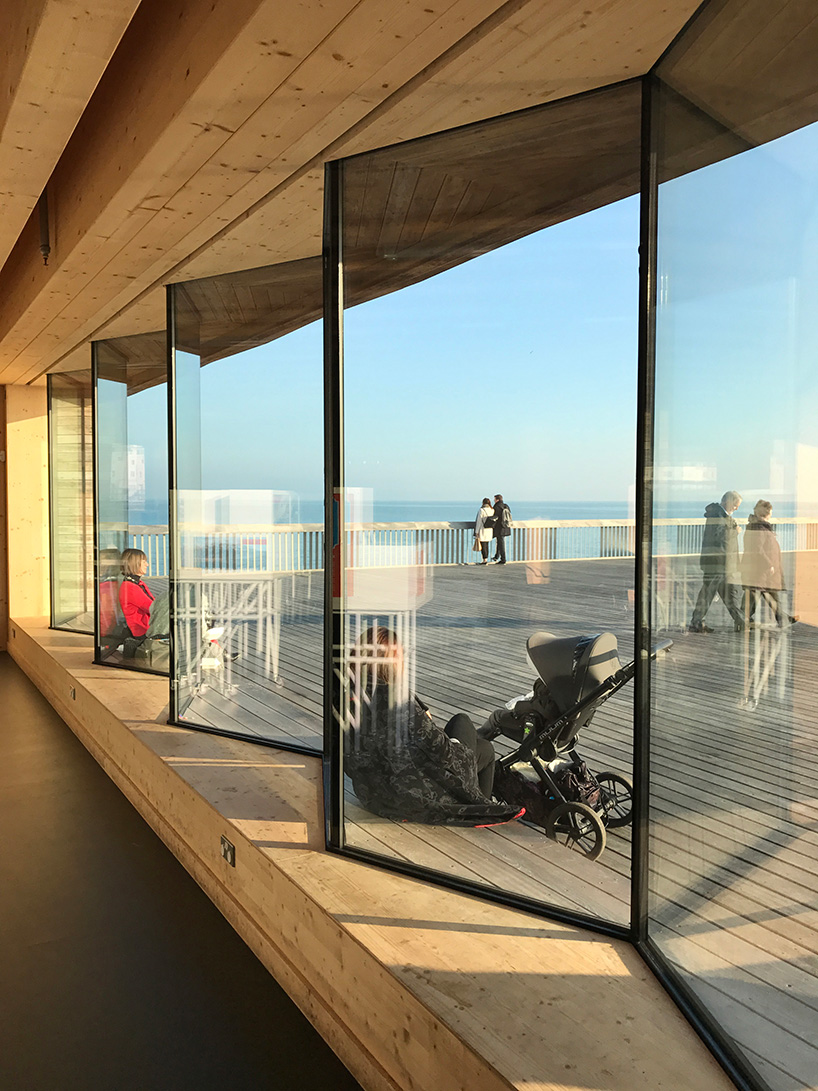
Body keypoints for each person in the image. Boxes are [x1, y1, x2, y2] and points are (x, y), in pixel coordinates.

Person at [345, 627, 517, 825]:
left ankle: (483, 804)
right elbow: (446, 755)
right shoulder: (398, 703)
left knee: (481, 746)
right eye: (401, 657)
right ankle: (479, 807)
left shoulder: (348, 693)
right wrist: (440, 732)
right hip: (412, 795)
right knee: (468, 729)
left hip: (375, 794)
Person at [689, 491, 746, 632]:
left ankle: (740, 621)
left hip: (721, 564)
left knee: (720, 594)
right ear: (728, 502)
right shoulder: (718, 515)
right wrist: (735, 531)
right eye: (735, 505)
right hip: (717, 563)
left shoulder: (720, 515)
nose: (736, 508)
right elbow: (720, 536)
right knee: (715, 594)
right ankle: (740, 621)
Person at [741, 500, 797, 627]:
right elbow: (758, 549)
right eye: (770, 512)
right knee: (754, 595)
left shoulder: (760, 526)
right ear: (765, 513)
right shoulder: (758, 528)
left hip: (763, 570)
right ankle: (743, 619)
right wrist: (769, 564)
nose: (771, 515)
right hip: (760, 569)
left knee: (769, 594)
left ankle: (782, 619)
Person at [118, 547, 155, 656]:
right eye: (144, 562)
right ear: (135, 563)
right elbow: (152, 608)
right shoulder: (130, 588)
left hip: (149, 627)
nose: (147, 565)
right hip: (143, 631)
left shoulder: (137, 584)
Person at [491, 493, 513, 564]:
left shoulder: (497, 507)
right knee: (500, 542)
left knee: (501, 542)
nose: (494, 500)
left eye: (494, 499)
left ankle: (503, 559)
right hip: (505, 526)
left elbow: (494, 517)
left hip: (499, 527)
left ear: (497, 499)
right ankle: (497, 556)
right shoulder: (505, 506)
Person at [474, 497, 494, 564]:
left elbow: (479, 521)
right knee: (487, 544)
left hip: (482, 529)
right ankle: (486, 558)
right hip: (489, 529)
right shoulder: (492, 510)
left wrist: (476, 531)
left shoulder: (481, 510)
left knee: (483, 545)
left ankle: (484, 559)